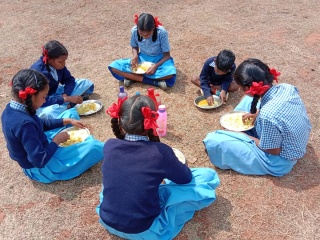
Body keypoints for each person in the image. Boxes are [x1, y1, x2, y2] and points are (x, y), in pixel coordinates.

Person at [96, 95, 220, 240]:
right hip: (146, 231)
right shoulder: (161, 152)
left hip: (108, 221)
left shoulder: (109, 145)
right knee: (206, 176)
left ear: (121, 122)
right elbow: (185, 178)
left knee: (116, 187)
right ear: (152, 122)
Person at [203, 58, 311, 176]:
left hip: (280, 161)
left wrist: (244, 136)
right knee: (248, 100)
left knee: (213, 140)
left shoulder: (268, 116)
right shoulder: (286, 87)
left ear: (247, 88)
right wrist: (257, 112)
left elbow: (273, 150)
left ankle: (235, 140)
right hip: (294, 141)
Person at [1, 69, 104, 183]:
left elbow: (39, 124)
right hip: (42, 167)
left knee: (71, 114)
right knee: (94, 147)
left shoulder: (11, 108)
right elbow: (39, 160)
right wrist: (57, 140)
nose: (45, 101)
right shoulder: (25, 124)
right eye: (44, 97)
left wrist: (67, 120)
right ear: (32, 96)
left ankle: (67, 125)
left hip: (41, 144)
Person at [108, 13, 176, 91]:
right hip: (142, 58)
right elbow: (134, 46)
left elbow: (167, 55)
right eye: (141, 34)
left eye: (148, 34)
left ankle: (133, 77)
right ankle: (155, 82)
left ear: (153, 28)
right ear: (137, 27)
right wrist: (135, 55)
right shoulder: (134, 31)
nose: (145, 37)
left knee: (170, 73)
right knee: (114, 66)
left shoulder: (161, 32)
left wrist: (155, 66)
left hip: (159, 59)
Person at [30, 40, 95, 119]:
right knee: (49, 113)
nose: (63, 64)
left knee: (85, 83)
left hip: (57, 92)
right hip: (44, 101)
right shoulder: (38, 72)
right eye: (60, 62)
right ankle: (69, 105)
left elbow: (69, 80)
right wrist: (67, 99)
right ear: (50, 59)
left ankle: (67, 105)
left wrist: (65, 94)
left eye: (64, 61)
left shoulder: (59, 66)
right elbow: (38, 99)